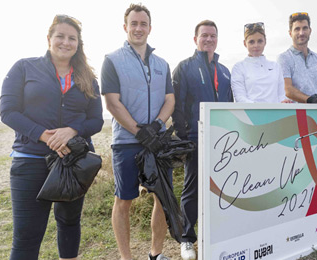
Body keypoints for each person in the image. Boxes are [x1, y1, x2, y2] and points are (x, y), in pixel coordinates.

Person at [0, 15, 103, 260]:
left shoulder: (88, 79)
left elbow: (96, 120)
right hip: (30, 160)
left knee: (69, 223)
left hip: (73, 162)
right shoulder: (24, 67)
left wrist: (72, 131)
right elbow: (8, 111)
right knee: (26, 236)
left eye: (72, 38)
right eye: (60, 36)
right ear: (49, 39)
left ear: (78, 44)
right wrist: (44, 136)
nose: (65, 43)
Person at [101, 4, 174, 260]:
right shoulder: (111, 60)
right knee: (124, 201)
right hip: (126, 143)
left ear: (150, 28)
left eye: (143, 24)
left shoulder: (162, 64)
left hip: (158, 142)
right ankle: (126, 257)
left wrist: (155, 126)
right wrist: (137, 131)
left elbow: (169, 100)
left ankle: (156, 253)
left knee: (162, 200)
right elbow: (112, 102)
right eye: (134, 23)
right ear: (125, 27)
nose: (138, 28)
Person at [171, 20, 233, 260]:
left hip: (222, 140)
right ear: (195, 39)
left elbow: (230, 105)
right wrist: (184, 136)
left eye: (213, 36)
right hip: (195, 139)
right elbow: (177, 104)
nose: (209, 39)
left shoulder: (225, 70)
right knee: (192, 189)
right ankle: (186, 239)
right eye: (204, 36)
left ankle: (216, 233)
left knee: (221, 187)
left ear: (217, 39)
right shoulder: (184, 67)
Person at [231, 22, 289, 103]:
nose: (256, 45)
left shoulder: (275, 66)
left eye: (260, 41)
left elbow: (281, 95)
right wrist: (260, 109)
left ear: (265, 42)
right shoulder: (238, 67)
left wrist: (284, 101)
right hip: (250, 114)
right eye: (251, 42)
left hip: (276, 114)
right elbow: (240, 97)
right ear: (245, 43)